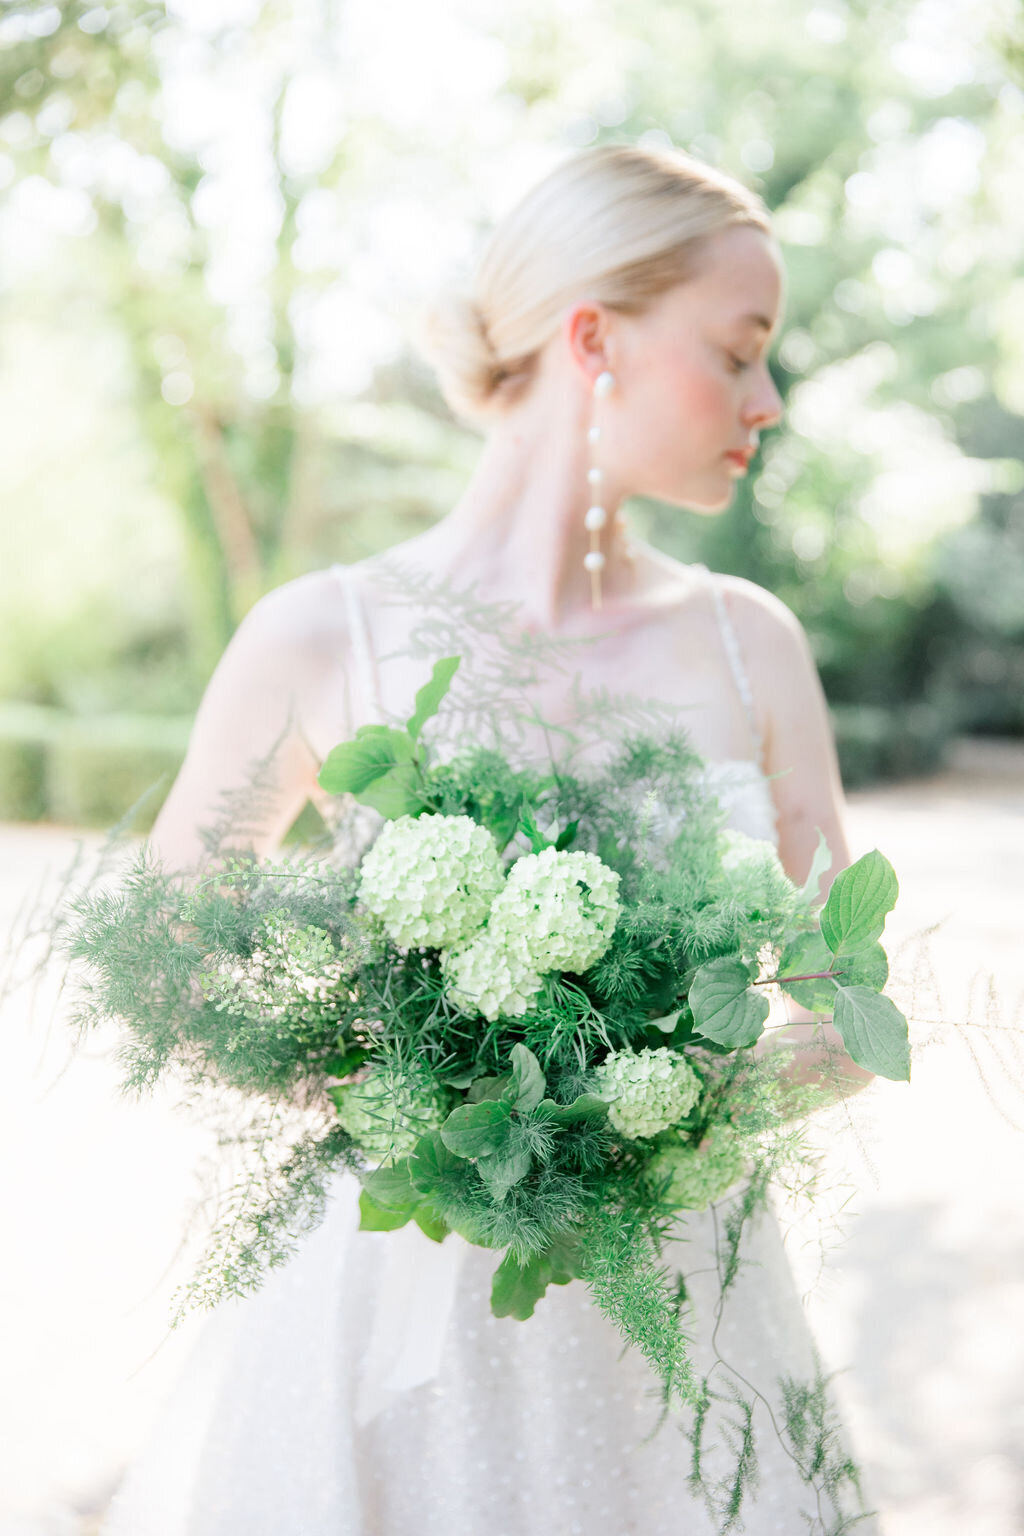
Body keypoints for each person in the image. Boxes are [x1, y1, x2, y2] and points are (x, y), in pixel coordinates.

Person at [102, 143, 879, 1534]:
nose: (766, 400)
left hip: (686, 1317)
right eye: (742, 349)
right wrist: (392, 1089)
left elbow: (854, 998)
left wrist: (661, 1108)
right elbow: (159, 954)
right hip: (393, 1308)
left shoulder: (749, 644)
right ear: (596, 340)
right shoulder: (321, 633)